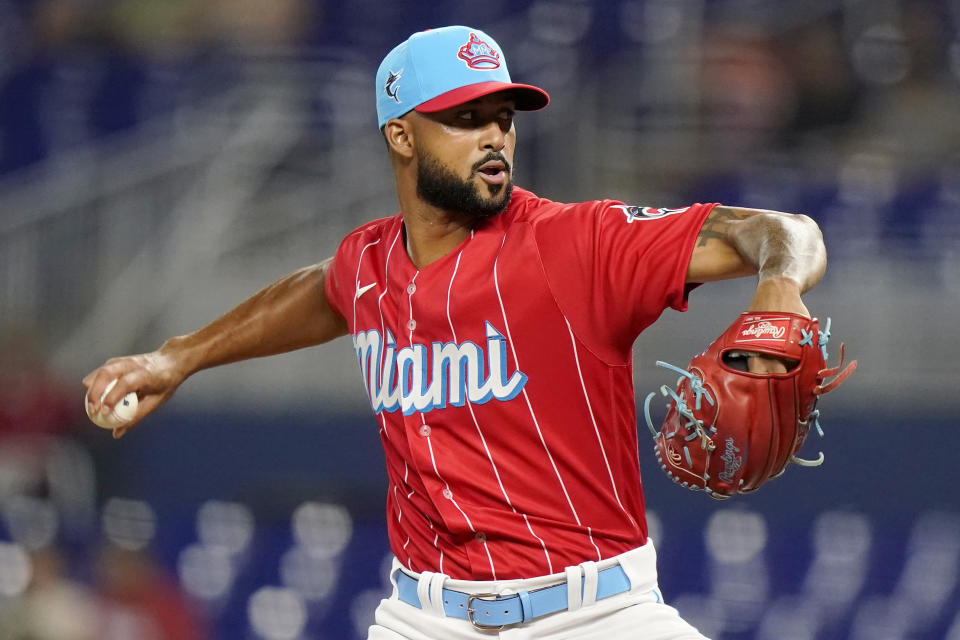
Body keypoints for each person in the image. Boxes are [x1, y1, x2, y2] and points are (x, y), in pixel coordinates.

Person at [83, 26, 826, 640]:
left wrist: (779, 286)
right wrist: (176, 357)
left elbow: (783, 231)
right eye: (466, 119)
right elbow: (319, 292)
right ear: (401, 135)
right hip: (423, 618)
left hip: (596, 613)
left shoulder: (577, 244)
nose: (495, 136)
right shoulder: (366, 263)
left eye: (502, 116)